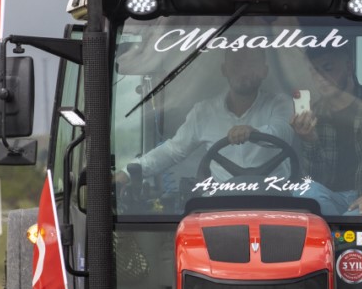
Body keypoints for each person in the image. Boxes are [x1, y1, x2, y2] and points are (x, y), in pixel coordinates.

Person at [117, 47, 294, 185]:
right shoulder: (204, 112)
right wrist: (128, 172)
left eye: (251, 63)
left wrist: (253, 132)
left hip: (277, 202)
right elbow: (173, 151)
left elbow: (282, 132)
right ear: (224, 69)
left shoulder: (280, 104)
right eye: (238, 63)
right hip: (220, 207)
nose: (244, 70)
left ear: (264, 71)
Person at [290, 45, 362, 217]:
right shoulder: (315, 114)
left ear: (349, 66)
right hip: (335, 200)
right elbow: (317, 178)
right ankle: (334, 230)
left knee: (351, 218)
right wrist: (309, 140)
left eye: (328, 69)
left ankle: (333, 231)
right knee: (305, 191)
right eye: (314, 72)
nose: (320, 78)